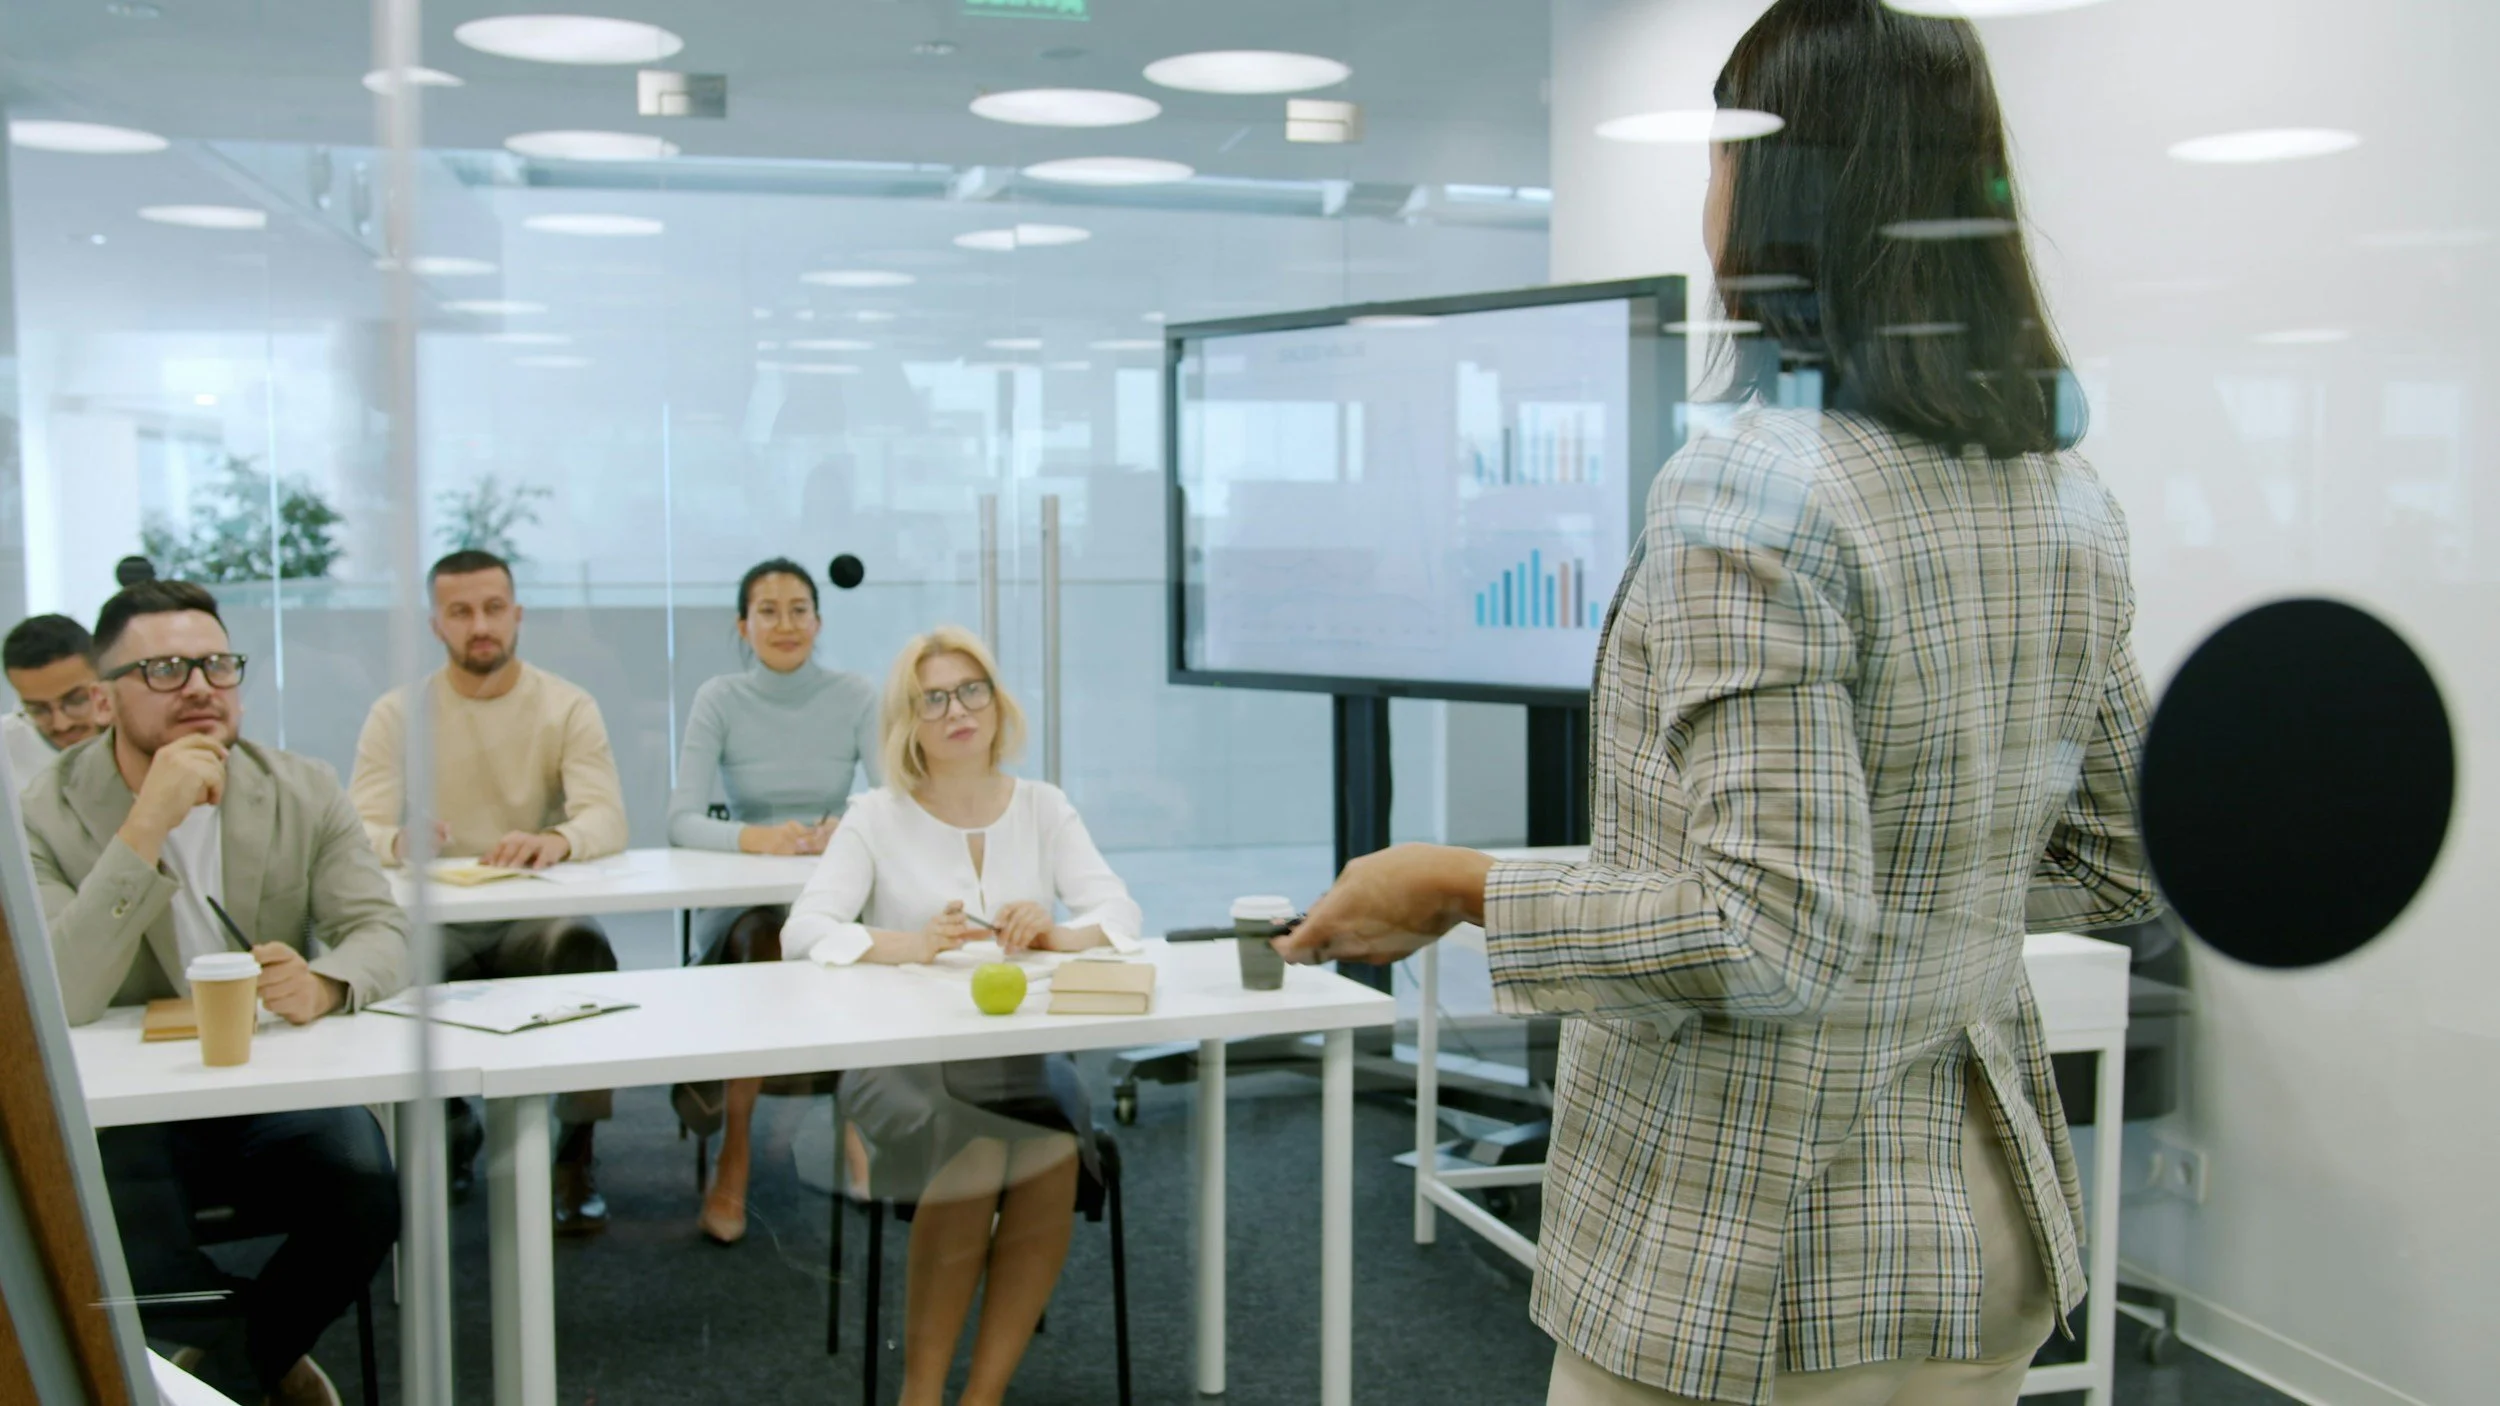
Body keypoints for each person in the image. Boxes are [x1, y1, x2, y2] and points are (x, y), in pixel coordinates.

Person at [1278, 6, 2160, 1405]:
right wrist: (1916, 907)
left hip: (1761, 1256)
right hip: (1971, 1228)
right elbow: (2114, 854)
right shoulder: (2068, 499)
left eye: (1720, 150)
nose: (1707, 192)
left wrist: (1463, 885)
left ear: (1786, 187)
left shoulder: (1754, 486)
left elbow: (1772, 927)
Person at [24, 580, 405, 1406]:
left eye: (217, 665)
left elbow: (383, 931)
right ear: (106, 694)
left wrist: (328, 980)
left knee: (367, 1187)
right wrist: (145, 826)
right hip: (136, 1101)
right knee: (117, 1220)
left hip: (267, 1080)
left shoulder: (300, 786)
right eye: (164, 668)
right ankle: (255, 1354)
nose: (199, 686)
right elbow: (62, 993)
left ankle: (226, 1374)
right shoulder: (42, 813)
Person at [782, 625, 1140, 1406]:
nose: (957, 710)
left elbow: (1119, 912)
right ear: (908, 722)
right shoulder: (874, 815)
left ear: (995, 700)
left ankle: (981, 1397)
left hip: (1019, 1057)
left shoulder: (1043, 807)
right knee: (975, 1155)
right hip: (901, 1061)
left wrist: (1055, 932)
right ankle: (920, 1395)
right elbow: (802, 931)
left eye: (970, 690)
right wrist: (905, 944)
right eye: (933, 698)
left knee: (1049, 1158)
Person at [347, 548, 629, 1229]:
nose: (481, 625)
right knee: (386, 974)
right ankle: (449, 1131)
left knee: (585, 951)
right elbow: (360, 822)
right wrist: (397, 841)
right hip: (436, 922)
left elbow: (607, 817)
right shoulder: (397, 713)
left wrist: (557, 839)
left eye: (494, 609)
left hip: (532, 916)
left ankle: (575, 1150)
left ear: (517, 615)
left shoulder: (566, 706)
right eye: (461, 612)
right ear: (436, 624)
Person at [664, 557, 882, 1244]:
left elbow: (888, 799)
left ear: (818, 621)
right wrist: (759, 839)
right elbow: (680, 819)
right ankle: (736, 1153)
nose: (785, 624)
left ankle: (857, 1136)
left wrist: (847, 825)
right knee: (766, 941)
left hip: (832, 886)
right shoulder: (720, 698)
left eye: (798, 610)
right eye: (768, 611)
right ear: (743, 625)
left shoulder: (855, 694)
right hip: (748, 898)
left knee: (841, 940)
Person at [4, 613, 111, 789]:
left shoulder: (145, 729)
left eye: (76, 700)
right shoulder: (6, 751)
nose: (62, 724)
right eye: (38, 709)